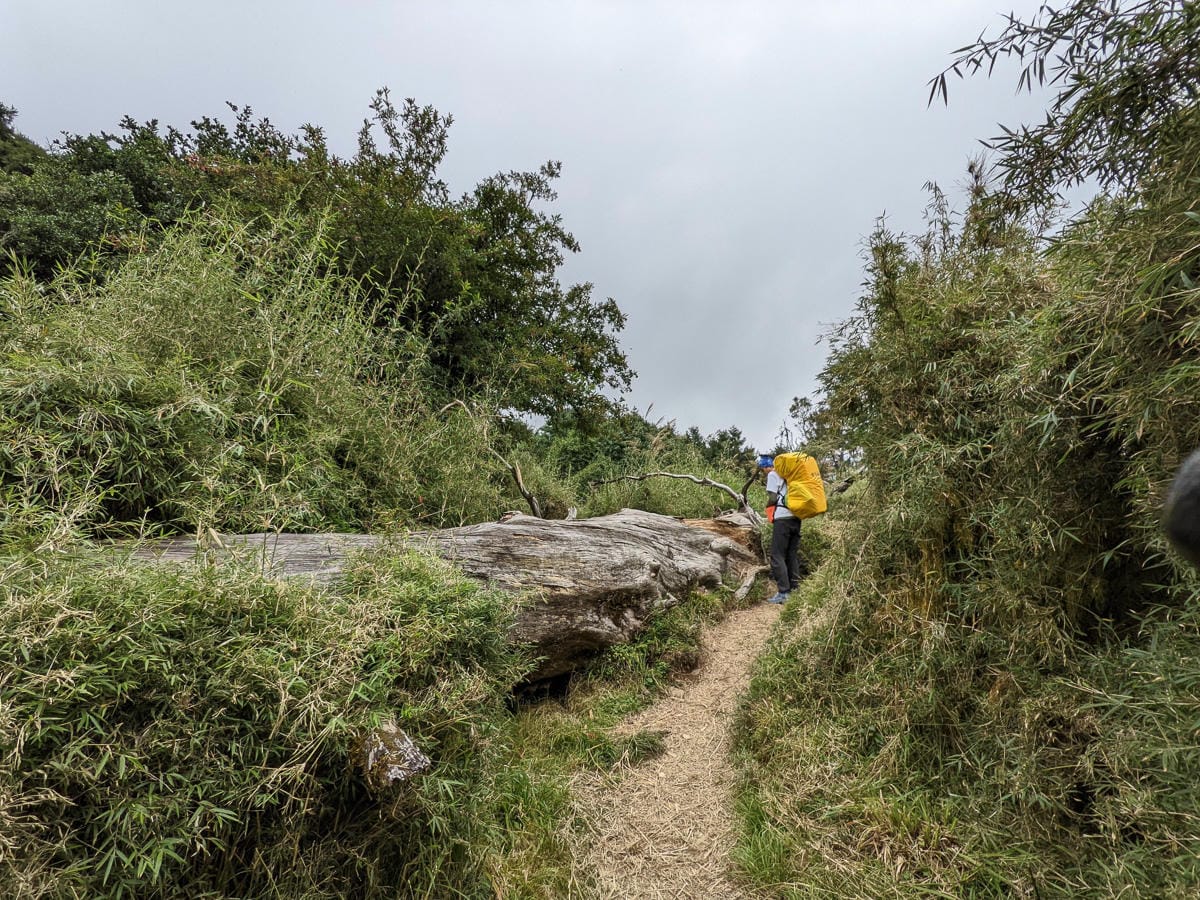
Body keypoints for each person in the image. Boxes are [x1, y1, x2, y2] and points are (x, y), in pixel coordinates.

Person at [758, 453, 809, 604]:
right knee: (791, 554)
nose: (764, 472)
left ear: (767, 467)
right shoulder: (791, 475)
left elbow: (773, 497)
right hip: (796, 516)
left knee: (777, 555)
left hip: (783, 518)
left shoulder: (773, 474)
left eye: (763, 469)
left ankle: (783, 593)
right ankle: (794, 589)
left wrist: (768, 507)